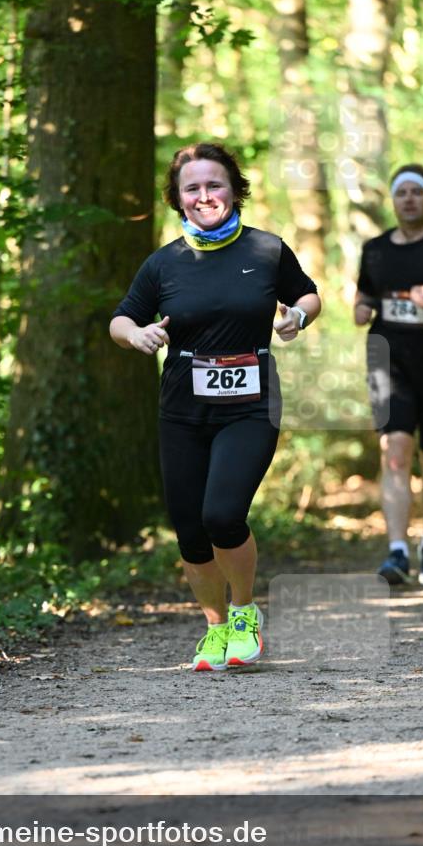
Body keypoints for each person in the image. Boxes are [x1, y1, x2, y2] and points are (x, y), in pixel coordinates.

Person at [110, 142, 321, 671]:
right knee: (190, 529)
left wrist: (297, 316)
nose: (204, 196)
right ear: (178, 198)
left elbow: (309, 294)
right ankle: (215, 626)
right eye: (193, 188)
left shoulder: (266, 250)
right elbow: (121, 319)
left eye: (214, 184)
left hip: (250, 405)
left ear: (234, 190)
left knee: (222, 515)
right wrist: (135, 335)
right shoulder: (164, 263)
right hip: (182, 410)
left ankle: (245, 612)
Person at [354, 164, 423, 585]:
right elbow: (364, 296)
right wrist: (360, 309)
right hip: (389, 362)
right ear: (394, 200)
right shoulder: (376, 249)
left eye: (418, 191)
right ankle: (397, 551)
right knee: (395, 451)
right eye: (402, 192)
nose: (410, 199)